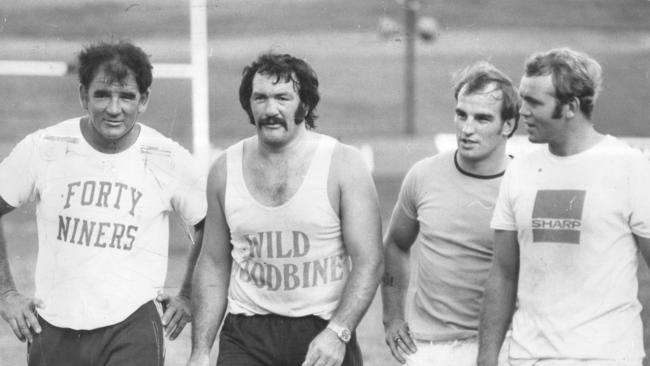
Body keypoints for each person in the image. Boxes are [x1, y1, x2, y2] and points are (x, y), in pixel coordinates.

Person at [0, 41, 207, 366]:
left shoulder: (166, 156)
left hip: (132, 327)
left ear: (144, 100)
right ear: (83, 95)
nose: (114, 108)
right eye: (102, 95)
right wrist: (6, 294)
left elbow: (212, 225)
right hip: (54, 326)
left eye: (126, 96)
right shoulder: (47, 146)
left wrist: (189, 295)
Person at [186, 52, 383, 366]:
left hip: (322, 327)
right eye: (260, 98)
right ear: (248, 105)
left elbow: (369, 261)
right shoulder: (225, 169)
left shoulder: (343, 164)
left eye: (283, 98)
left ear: (304, 105)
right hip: (247, 332)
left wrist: (339, 332)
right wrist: (199, 351)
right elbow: (212, 263)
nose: (270, 109)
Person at [477, 48, 650, 366]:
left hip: (607, 356)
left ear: (570, 107)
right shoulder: (520, 169)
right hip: (529, 357)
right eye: (522, 98)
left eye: (534, 102)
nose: (521, 112)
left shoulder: (630, 166)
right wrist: (486, 356)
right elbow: (502, 273)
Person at [381, 61, 519, 366]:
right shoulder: (423, 175)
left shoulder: (524, 185)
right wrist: (392, 317)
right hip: (427, 349)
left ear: (507, 125)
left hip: (503, 347)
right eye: (461, 114)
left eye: (482, 118)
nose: (467, 129)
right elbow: (396, 243)